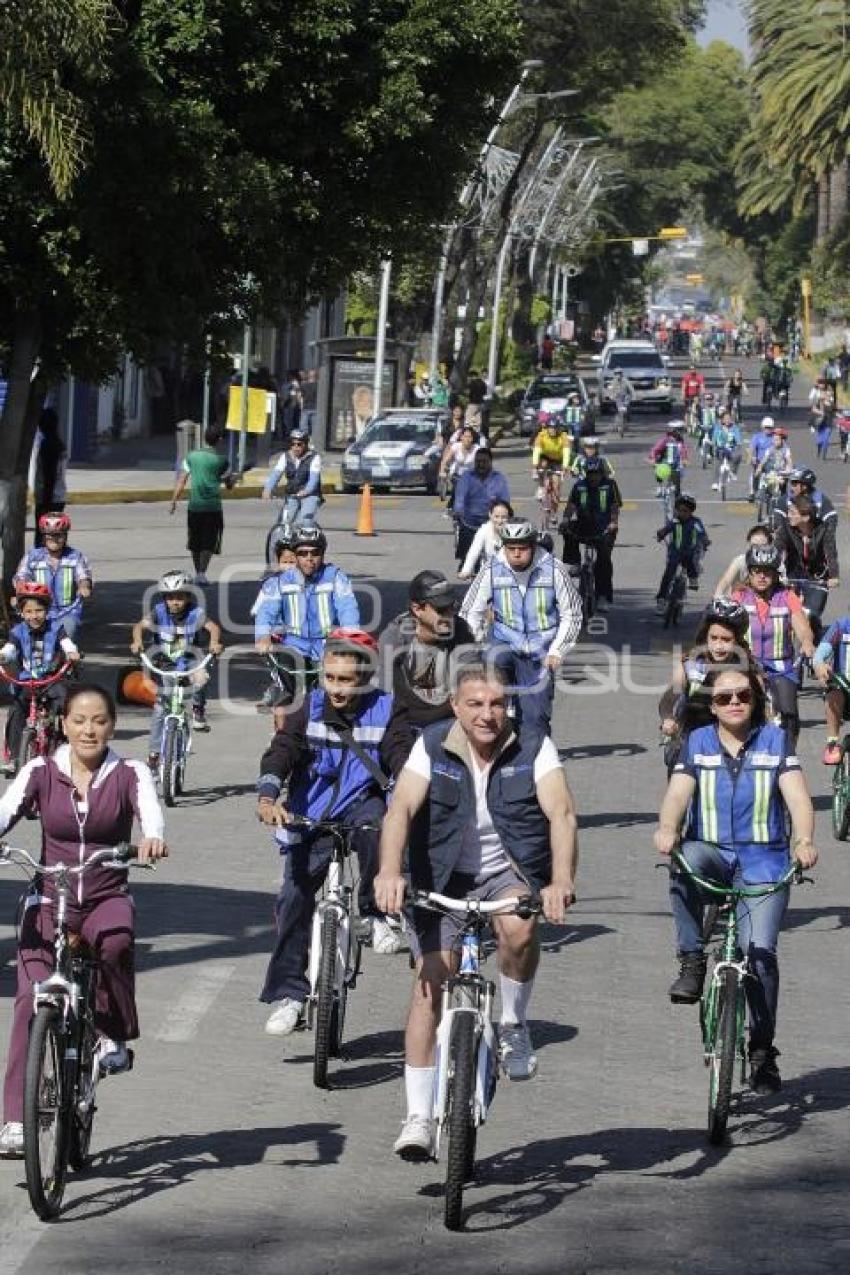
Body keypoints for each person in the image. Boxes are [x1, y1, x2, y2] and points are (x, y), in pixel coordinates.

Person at [374, 661, 578, 1158]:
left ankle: (512, 1022)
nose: (488, 714)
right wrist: (388, 872)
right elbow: (399, 809)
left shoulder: (533, 743)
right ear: (455, 707)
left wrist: (559, 880)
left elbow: (562, 813)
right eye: (476, 704)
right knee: (429, 987)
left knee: (519, 927)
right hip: (440, 876)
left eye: (497, 704)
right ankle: (418, 1118)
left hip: (508, 869)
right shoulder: (432, 744)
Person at [0, 684, 167, 1159]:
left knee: (115, 942)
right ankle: (15, 1121)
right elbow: (7, 808)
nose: (88, 729)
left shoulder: (129, 772)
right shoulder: (41, 770)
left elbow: (150, 814)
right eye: (79, 720)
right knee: (29, 1000)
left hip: (104, 893)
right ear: (64, 724)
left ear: (112, 725)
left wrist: (152, 838)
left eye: (98, 720)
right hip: (49, 897)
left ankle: (111, 1035)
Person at [655, 664, 817, 1095]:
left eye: (743, 696)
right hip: (711, 850)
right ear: (712, 705)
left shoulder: (775, 741)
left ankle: (762, 1051)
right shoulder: (698, 741)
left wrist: (803, 841)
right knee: (682, 861)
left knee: (760, 954)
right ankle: (692, 960)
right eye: (724, 698)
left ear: (756, 699)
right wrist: (667, 828)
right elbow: (677, 793)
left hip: (763, 859)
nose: (734, 704)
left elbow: (798, 796)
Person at [256, 629, 400, 1037]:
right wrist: (269, 796)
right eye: (330, 678)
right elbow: (282, 751)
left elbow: (400, 755)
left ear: (366, 678)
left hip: (361, 804)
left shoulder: (387, 709)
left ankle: (374, 916)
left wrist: (408, 792)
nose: (336, 689)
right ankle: (290, 995)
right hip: (310, 813)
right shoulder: (307, 707)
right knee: (292, 900)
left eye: (347, 680)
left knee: (377, 829)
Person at [460, 519, 582, 735]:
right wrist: (475, 641)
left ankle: (535, 755)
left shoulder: (554, 569)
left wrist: (556, 651)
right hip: (504, 641)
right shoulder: (492, 568)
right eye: (511, 548)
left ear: (533, 547)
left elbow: (572, 615)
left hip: (540, 649)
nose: (516, 554)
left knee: (536, 721)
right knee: (491, 665)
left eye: (522, 548)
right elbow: (471, 610)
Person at [380, 571, 476, 774]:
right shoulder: (395, 638)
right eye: (441, 609)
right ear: (417, 609)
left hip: (449, 723)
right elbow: (381, 697)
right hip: (405, 725)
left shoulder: (462, 633)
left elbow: (470, 688)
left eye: (452, 607)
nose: (449, 616)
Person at [254, 525, 360, 707]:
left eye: (315, 553)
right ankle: (283, 734)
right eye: (303, 553)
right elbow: (266, 611)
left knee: (332, 697)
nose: (309, 559)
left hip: (326, 645)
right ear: (295, 556)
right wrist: (262, 637)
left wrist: (351, 637)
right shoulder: (280, 582)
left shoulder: (335, 577)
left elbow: (347, 608)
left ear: (323, 554)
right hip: (293, 645)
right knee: (285, 698)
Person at [130, 570, 222, 767]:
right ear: (164, 598)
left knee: (201, 677)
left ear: (188, 596)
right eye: (170, 598)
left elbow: (213, 627)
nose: (175, 602)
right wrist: (137, 641)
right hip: (166, 663)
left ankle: (198, 710)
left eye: (180, 597)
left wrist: (214, 643)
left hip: (189, 660)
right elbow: (139, 626)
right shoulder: (158, 612)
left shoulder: (196, 613)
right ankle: (154, 754)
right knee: (160, 709)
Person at [657, 598, 755, 769]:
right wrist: (668, 718)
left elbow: (765, 707)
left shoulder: (749, 669)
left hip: (732, 742)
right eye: (714, 638)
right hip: (690, 737)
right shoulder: (690, 664)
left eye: (726, 639)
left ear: (738, 641)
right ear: (705, 636)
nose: (718, 645)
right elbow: (669, 698)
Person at [731, 544, 815, 740]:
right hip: (746, 665)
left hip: (780, 666)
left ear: (776, 574)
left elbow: (803, 628)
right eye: (757, 571)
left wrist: (807, 643)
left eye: (767, 572)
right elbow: (727, 628)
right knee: (737, 712)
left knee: (789, 717)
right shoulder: (739, 597)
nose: (762, 576)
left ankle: (788, 759)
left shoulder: (787, 597)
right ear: (749, 574)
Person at [0, 582, 80, 773]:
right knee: (17, 709)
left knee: (63, 701)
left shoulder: (56, 628)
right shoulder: (17, 632)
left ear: (47, 610)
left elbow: (67, 644)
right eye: (28, 611)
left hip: (52, 678)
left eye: (39, 610)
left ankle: (65, 742)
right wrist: (2, 655)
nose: (34, 616)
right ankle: (14, 754)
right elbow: (10, 650)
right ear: (21, 612)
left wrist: (71, 653)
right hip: (28, 680)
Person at [169, 425, 233, 585]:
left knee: (195, 540)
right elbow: (229, 484)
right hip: (213, 507)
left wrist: (173, 501)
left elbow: (182, 480)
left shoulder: (191, 457)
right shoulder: (222, 461)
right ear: (219, 440)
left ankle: (198, 571)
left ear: (204, 438)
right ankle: (202, 573)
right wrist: (230, 479)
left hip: (194, 507)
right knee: (209, 541)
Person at [14, 512, 92, 640]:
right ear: (44, 537)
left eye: (58, 535)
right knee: (21, 639)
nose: (54, 539)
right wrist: (20, 587)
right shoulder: (32, 556)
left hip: (67, 612)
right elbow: (21, 575)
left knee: (67, 636)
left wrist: (84, 587)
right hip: (38, 611)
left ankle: (67, 657)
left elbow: (83, 576)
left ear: (65, 536)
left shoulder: (75, 556)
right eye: (49, 535)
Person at [560, 458, 623, 611]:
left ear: (602, 473)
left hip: (605, 529)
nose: (593, 477)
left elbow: (615, 506)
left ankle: (602, 597)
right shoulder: (579, 486)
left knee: (603, 561)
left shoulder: (610, 485)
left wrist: (613, 522)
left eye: (596, 474)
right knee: (567, 529)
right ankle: (575, 562)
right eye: (590, 474)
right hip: (584, 525)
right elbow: (571, 505)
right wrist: (566, 519)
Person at [773, 494, 839, 640]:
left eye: (792, 512)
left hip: (817, 578)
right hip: (792, 576)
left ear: (806, 517)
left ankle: (814, 650)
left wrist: (834, 576)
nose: (788, 515)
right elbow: (777, 551)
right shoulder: (786, 527)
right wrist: (775, 573)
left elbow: (831, 553)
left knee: (812, 614)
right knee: (789, 614)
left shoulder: (824, 529)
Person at [452, 447, 510, 564]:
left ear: (490, 462)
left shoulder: (499, 478)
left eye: (484, 462)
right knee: (467, 558)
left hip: (491, 523)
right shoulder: (467, 477)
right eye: (478, 462)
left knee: (499, 558)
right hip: (469, 523)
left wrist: (505, 513)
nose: (481, 465)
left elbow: (504, 500)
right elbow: (460, 496)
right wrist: (458, 510)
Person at [655, 494, 710, 609]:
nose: (682, 513)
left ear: (691, 512)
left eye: (685, 511)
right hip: (675, 552)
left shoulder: (695, 522)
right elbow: (667, 529)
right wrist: (661, 533)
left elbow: (701, 533)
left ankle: (693, 578)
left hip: (690, 551)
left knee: (691, 561)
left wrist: (705, 540)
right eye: (679, 510)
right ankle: (661, 599)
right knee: (669, 572)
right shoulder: (675, 521)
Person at [262, 429, 322, 525]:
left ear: (305, 445)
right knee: (284, 522)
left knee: (304, 521)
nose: (295, 447)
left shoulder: (314, 457)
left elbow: (313, 480)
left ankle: (309, 536)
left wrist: (306, 491)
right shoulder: (285, 457)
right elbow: (276, 474)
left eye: (299, 444)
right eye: (293, 444)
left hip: (310, 495)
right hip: (292, 494)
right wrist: (268, 489)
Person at [813, 612, 850, 763]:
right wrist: (820, 665)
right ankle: (832, 743)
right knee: (834, 692)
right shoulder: (841, 627)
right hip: (844, 688)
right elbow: (820, 653)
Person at [31, 407, 68, 543]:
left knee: (43, 540)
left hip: (48, 499)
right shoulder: (59, 444)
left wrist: (45, 505)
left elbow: (49, 476)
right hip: (59, 496)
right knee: (56, 539)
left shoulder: (48, 445)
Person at [458, 499, 513, 579]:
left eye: (504, 517)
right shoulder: (484, 530)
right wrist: (466, 571)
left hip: (510, 575)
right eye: (496, 516)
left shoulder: (513, 530)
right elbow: (473, 552)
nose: (500, 521)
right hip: (488, 576)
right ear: (490, 515)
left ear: (509, 518)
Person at [714, 524, 774, 597]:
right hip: (739, 604)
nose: (758, 549)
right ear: (748, 545)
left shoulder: (776, 563)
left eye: (763, 546)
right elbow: (726, 581)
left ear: (770, 546)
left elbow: (784, 585)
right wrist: (717, 597)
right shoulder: (740, 561)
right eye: (754, 546)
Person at [439, 424, 479, 515]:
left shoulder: (477, 449)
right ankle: (452, 507)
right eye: (465, 436)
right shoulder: (456, 446)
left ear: (473, 438)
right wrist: (442, 472)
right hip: (456, 474)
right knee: (459, 487)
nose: (467, 439)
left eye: (470, 437)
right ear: (461, 437)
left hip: (471, 476)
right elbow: (445, 460)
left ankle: (459, 508)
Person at [649, 423, 688, 495]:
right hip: (665, 464)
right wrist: (653, 458)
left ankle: (677, 494)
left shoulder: (680, 441)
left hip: (676, 466)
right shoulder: (665, 440)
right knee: (659, 469)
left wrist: (685, 459)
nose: (682, 432)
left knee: (677, 485)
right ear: (674, 431)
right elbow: (655, 449)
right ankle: (660, 487)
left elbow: (683, 451)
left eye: (682, 430)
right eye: (680, 430)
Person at [747, 416, 775, 501]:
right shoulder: (757, 436)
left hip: (771, 462)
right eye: (766, 427)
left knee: (772, 477)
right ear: (762, 427)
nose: (768, 430)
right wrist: (751, 458)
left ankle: (770, 491)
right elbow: (751, 448)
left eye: (770, 428)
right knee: (754, 475)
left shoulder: (775, 437)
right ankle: (752, 492)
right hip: (759, 462)